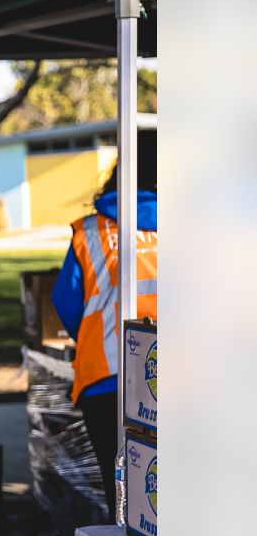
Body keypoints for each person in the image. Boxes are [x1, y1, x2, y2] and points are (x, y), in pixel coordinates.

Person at [51, 147, 157, 515]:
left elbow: (65, 300)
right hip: (178, 382)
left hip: (105, 377)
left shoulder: (91, 231)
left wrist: (97, 339)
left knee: (124, 497)